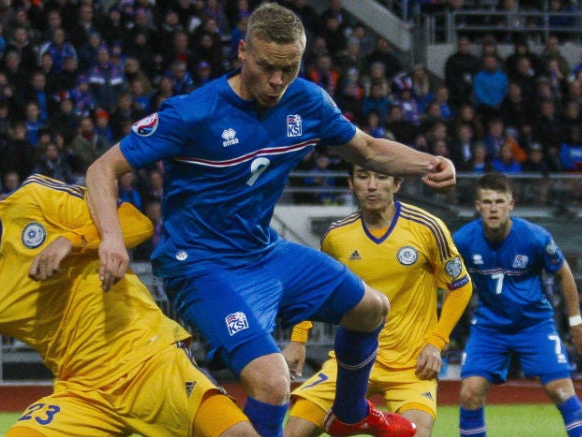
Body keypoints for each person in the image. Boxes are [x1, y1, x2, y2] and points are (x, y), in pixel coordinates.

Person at [85, 4, 456, 437]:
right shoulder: (193, 113)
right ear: (243, 51)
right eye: (266, 67)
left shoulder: (308, 101)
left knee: (371, 308)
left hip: (264, 253)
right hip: (202, 265)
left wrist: (428, 163)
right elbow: (101, 170)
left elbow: (369, 149)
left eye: (290, 67)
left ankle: (351, 413)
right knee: (273, 381)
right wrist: (111, 239)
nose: (277, 81)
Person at [0, 147, 259, 437]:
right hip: (82, 393)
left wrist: (71, 240)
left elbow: (134, 221)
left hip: (150, 358)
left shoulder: (34, 200)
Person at [282, 165, 473, 437]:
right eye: (362, 177)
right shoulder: (337, 236)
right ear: (351, 183)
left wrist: (436, 343)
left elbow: (461, 286)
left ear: (396, 184)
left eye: (380, 177)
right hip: (351, 360)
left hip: (411, 365)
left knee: (416, 433)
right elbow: (315, 290)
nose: (371, 185)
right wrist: (297, 340)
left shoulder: (428, 227)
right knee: (291, 433)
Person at [454, 173, 582, 437]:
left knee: (561, 389)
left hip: (534, 325)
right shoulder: (462, 240)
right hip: (489, 327)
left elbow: (564, 273)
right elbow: (445, 279)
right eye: (487, 202)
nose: (493, 208)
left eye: (499, 201)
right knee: (470, 393)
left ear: (511, 204)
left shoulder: (534, 237)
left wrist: (576, 323)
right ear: (477, 206)